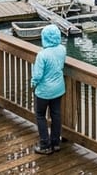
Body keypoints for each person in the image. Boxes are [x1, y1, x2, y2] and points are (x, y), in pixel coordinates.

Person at [30, 24, 67, 155]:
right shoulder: (62, 49)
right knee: (56, 114)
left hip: (44, 91)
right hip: (58, 88)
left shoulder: (42, 55)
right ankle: (56, 142)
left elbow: (38, 75)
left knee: (40, 115)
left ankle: (45, 144)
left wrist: (33, 84)